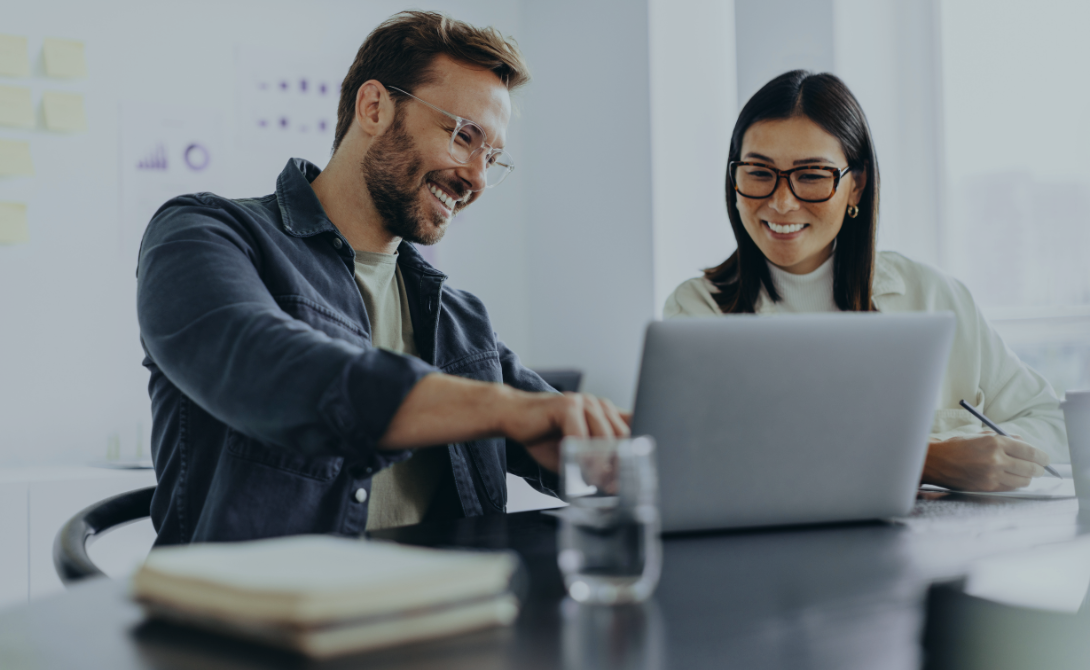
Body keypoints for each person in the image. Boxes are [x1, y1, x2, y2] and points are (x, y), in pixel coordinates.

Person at [136, 11, 628, 545]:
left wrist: (626, 446)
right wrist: (505, 409)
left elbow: (559, 428)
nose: (477, 178)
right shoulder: (204, 232)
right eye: (464, 136)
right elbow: (269, 366)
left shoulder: (461, 320)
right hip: (265, 597)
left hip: (451, 596)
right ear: (374, 107)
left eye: (492, 158)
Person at [664, 70, 1066, 493]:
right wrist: (925, 460)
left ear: (856, 186)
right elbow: (704, 459)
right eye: (759, 172)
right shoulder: (697, 311)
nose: (781, 202)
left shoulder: (933, 295)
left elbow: (1054, 426)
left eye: (811, 175)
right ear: (734, 178)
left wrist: (986, 453)